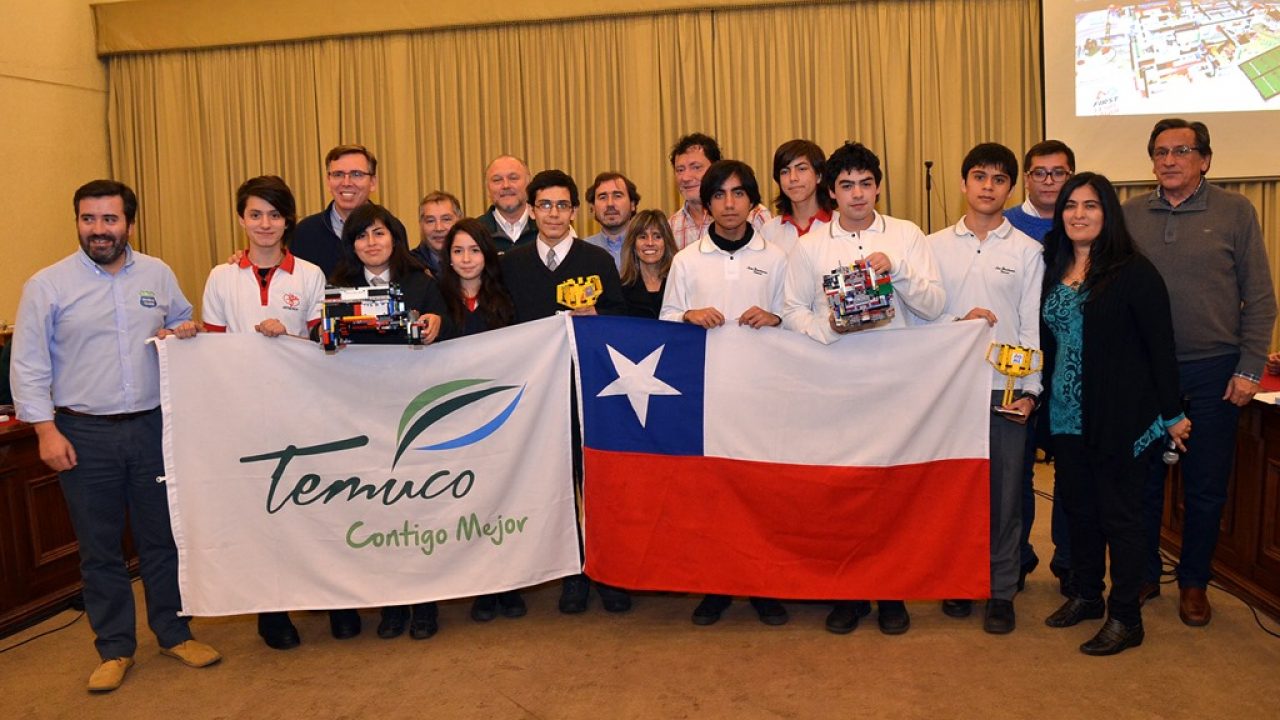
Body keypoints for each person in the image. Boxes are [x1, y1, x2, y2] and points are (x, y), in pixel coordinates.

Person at [11, 180, 221, 692]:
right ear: (77, 222)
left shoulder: (157, 273)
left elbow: (180, 320)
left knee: (162, 539)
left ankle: (174, 633)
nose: (99, 230)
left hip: (151, 428)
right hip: (83, 433)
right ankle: (114, 648)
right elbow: (29, 365)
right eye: (88, 219)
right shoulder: (47, 285)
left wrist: (183, 330)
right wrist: (45, 431)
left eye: (109, 219)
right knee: (100, 547)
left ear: (129, 222)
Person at [782, 141, 945, 635]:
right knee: (842, 492)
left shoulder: (907, 235)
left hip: (896, 382)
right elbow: (791, 311)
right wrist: (829, 327)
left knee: (892, 490)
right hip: (834, 383)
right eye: (847, 185)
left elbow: (935, 306)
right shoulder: (810, 246)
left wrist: (898, 273)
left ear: (878, 187)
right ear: (831, 192)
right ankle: (848, 592)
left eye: (866, 184)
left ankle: (892, 591)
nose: (857, 194)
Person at [1123, 118, 1277, 627]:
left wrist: (1250, 368)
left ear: (1205, 160)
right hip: (1145, 373)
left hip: (1214, 372)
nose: (1169, 160)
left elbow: (1260, 298)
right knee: (1142, 482)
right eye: (1160, 152)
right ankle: (1144, 572)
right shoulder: (1128, 215)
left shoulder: (1236, 211)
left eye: (1181, 151)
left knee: (1205, 485)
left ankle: (1194, 582)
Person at [1040, 172, 1190, 656]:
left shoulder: (1134, 272)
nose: (1078, 214)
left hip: (1120, 417)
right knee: (1079, 511)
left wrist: (1172, 412)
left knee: (1120, 518)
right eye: (1070, 205)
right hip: (1066, 414)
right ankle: (1087, 595)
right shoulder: (1053, 266)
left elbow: (1161, 348)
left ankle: (1126, 617)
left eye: (1090, 205)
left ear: (1108, 214)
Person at [659, 159, 790, 627]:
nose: (729, 204)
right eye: (719, 195)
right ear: (707, 202)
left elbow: (796, 319)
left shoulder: (776, 258)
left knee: (760, 494)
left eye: (738, 194)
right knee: (711, 495)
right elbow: (665, 320)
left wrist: (776, 318)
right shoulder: (687, 260)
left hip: (760, 398)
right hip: (708, 399)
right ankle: (716, 585)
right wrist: (687, 316)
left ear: (753, 201)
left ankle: (762, 586)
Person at [199, 176, 327, 650]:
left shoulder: (309, 275)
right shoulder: (221, 276)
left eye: (274, 215)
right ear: (241, 219)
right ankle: (272, 611)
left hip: (301, 409)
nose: (265, 224)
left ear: (287, 220)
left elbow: (324, 345)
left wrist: (287, 337)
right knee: (263, 511)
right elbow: (212, 349)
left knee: (308, 506)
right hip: (245, 414)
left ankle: (327, 598)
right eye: (255, 215)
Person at [501, 169, 629, 614]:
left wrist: (598, 318)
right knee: (550, 484)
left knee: (595, 482)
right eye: (545, 205)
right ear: (531, 210)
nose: (553, 214)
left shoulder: (597, 261)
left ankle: (607, 570)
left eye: (562, 205)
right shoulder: (512, 264)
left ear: (575, 211)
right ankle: (572, 572)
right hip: (535, 393)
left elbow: (621, 318)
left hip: (588, 388)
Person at [929, 143, 1044, 634]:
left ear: (1010, 189)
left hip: (1005, 388)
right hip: (948, 387)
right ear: (963, 183)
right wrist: (959, 323)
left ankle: (1001, 589)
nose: (988, 187)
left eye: (999, 179)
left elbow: (1031, 325)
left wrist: (1031, 390)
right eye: (979, 177)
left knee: (1005, 493)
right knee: (953, 489)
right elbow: (920, 317)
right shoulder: (932, 246)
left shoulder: (1028, 251)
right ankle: (958, 578)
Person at [1006, 140, 1077, 594]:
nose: (1049, 181)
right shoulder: (1006, 226)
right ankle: (1016, 556)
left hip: (1072, 361)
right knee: (1018, 468)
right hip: (1019, 361)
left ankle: (1069, 561)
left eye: (1059, 172)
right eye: (1039, 172)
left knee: (1072, 466)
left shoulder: (1085, 220)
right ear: (1027, 179)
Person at [667, 133, 771, 249]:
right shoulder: (671, 226)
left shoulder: (756, 216)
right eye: (680, 170)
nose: (686, 178)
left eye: (696, 167)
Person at [292, 144, 381, 277]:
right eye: (338, 174)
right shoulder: (305, 232)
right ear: (328, 181)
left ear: (372, 182)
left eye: (356, 174)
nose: (346, 183)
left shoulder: (391, 230)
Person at [759, 139, 833, 255]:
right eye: (785, 171)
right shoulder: (769, 231)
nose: (793, 178)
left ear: (819, 176)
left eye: (801, 169)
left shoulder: (840, 224)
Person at [619, 210, 678, 319]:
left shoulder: (679, 282)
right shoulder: (621, 288)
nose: (650, 243)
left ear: (666, 242)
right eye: (643, 237)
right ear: (633, 244)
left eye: (657, 236)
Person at [479, 155, 538, 252]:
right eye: (497, 180)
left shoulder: (546, 228)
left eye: (513, 178)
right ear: (487, 188)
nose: (506, 185)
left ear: (529, 184)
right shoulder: (475, 233)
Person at [583, 172, 640, 268]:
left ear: (632, 204)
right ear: (593, 207)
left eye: (617, 196)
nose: (610, 204)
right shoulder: (582, 251)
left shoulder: (649, 246)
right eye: (603, 197)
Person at [412, 191, 462, 276]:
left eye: (446, 219)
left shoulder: (475, 262)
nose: (439, 228)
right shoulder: (409, 266)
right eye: (430, 221)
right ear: (421, 225)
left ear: (460, 221)